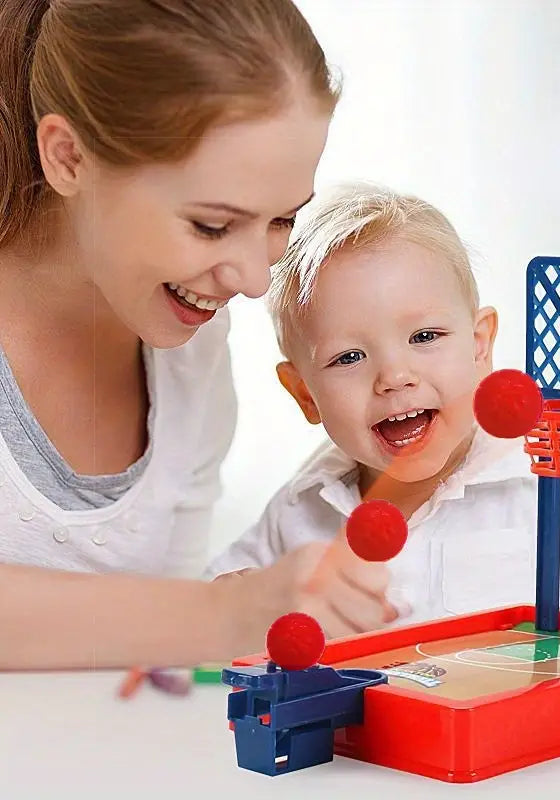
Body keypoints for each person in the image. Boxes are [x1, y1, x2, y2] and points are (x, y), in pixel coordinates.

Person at [0, 0, 355, 670]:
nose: (254, 279)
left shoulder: (189, 349)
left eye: (282, 220)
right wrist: (222, 616)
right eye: (213, 225)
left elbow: (149, 639)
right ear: (69, 156)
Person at [206, 183, 560, 633]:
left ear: (479, 347)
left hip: (511, 712)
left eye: (424, 337)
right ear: (304, 393)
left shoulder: (537, 477)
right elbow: (216, 600)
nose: (394, 377)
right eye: (349, 357)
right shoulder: (300, 509)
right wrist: (238, 607)